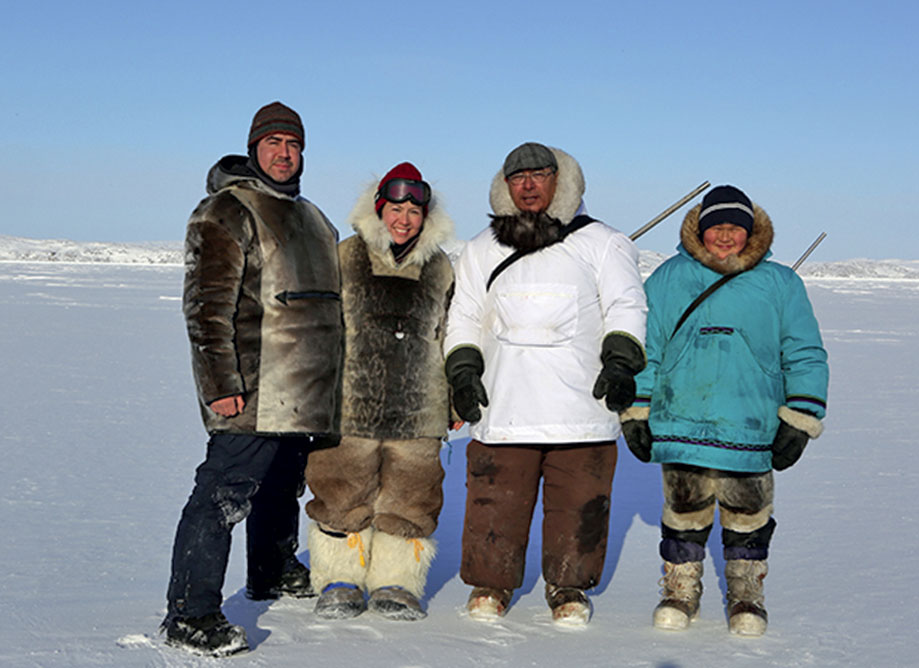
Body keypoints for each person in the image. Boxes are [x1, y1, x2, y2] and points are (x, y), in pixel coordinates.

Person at [163, 102, 343, 657]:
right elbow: (206, 307)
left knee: (281, 483)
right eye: (274, 144)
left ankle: (271, 568)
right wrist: (220, 381)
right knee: (224, 493)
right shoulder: (226, 211)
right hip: (251, 385)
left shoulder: (315, 217)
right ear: (253, 149)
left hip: (307, 390)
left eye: (294, 145)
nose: (284, 154)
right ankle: (190, 613)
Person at [444, 142, 647, 625]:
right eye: (518, 178)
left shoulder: (603, 242)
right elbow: (465, 314)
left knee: (578, 501)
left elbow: (626, 304)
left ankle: (568, 584)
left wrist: (620, 359)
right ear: (505, 186)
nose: (529, 185)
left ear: (561, 181)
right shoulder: (480, 248)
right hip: (505, 398)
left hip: (581, 402)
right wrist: (463, 368)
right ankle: (490, 582)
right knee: (497, 498)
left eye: (539, 175)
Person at [620, 185, 829, 636]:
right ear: (701, 230)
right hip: (680, 421)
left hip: (751, 424)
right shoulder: (668, 278)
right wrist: (636, 409)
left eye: (736, 228)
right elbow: (645, 348)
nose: (726, 236)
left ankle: (747, 596)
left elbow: (804, 352)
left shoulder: (780, 283)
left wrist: (802, 414)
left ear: (752, 233)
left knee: (748, 518)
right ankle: (679, 590)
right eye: (717, 227)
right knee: (683, 513)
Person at [304, 162, 454, 621]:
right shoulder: (344, 256)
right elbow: (321, 329)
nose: (404, 219)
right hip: (350, 404)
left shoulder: (441, 267)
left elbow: (449, 332)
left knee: (412, 497)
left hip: (420, 407)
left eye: (413, 210)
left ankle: (397, 583)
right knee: (340, 491)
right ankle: (339, 578)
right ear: (379, 209)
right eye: (396, 208)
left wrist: (451, 396)